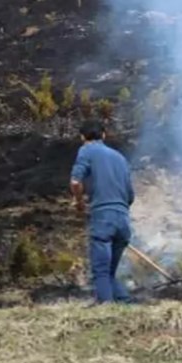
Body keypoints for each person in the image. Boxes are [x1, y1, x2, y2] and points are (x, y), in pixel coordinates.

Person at [70, 120, 135, 304]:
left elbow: (75, 182)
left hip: (103, 218)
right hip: (123, 219)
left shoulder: (86, 150)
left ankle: (106, 308)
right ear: (104, 135)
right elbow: (130, 195)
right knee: (109, 273)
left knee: (100, 270)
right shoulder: (120, 158)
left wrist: (79, 203)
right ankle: (125, 303)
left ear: (82, 137)